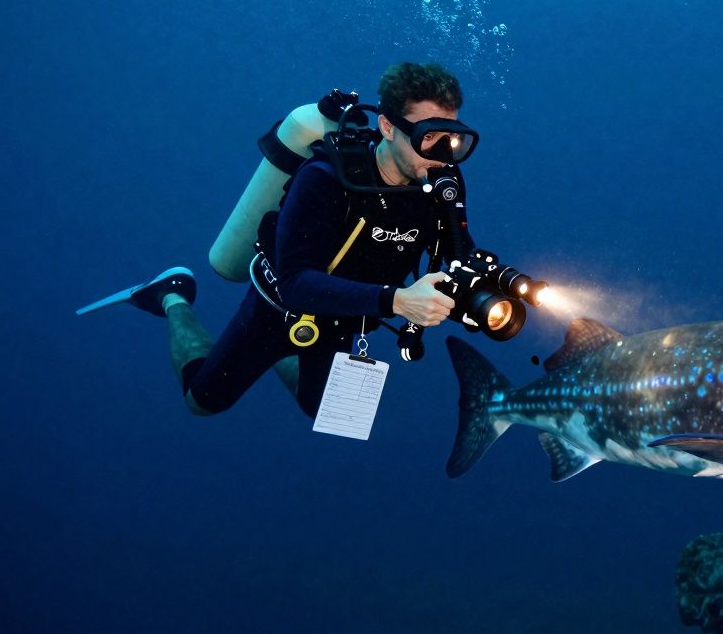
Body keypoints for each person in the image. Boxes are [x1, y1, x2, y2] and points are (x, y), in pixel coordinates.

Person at [87, 63, 478, 418]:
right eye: (430, 137)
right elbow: (294, 284)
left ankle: (288, 358)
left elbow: (460, 252)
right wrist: (397, 301)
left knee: (327, 411)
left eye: (454, 139)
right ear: (388, 127)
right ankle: (171, 295)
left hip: (345, 320)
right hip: (277, 310)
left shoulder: (441, 183)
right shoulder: (324, 178)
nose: (445, 154)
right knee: (203, 402)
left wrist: (498, 283)